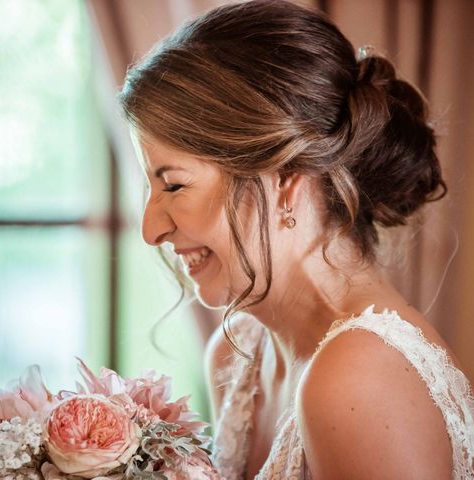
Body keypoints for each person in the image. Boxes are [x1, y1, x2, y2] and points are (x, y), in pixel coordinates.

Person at [118, 0, 474, 478]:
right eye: (150, 186)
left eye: (175, 184)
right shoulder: (238, 355)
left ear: (286, 178)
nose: (150, 229)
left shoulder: (361, 378)